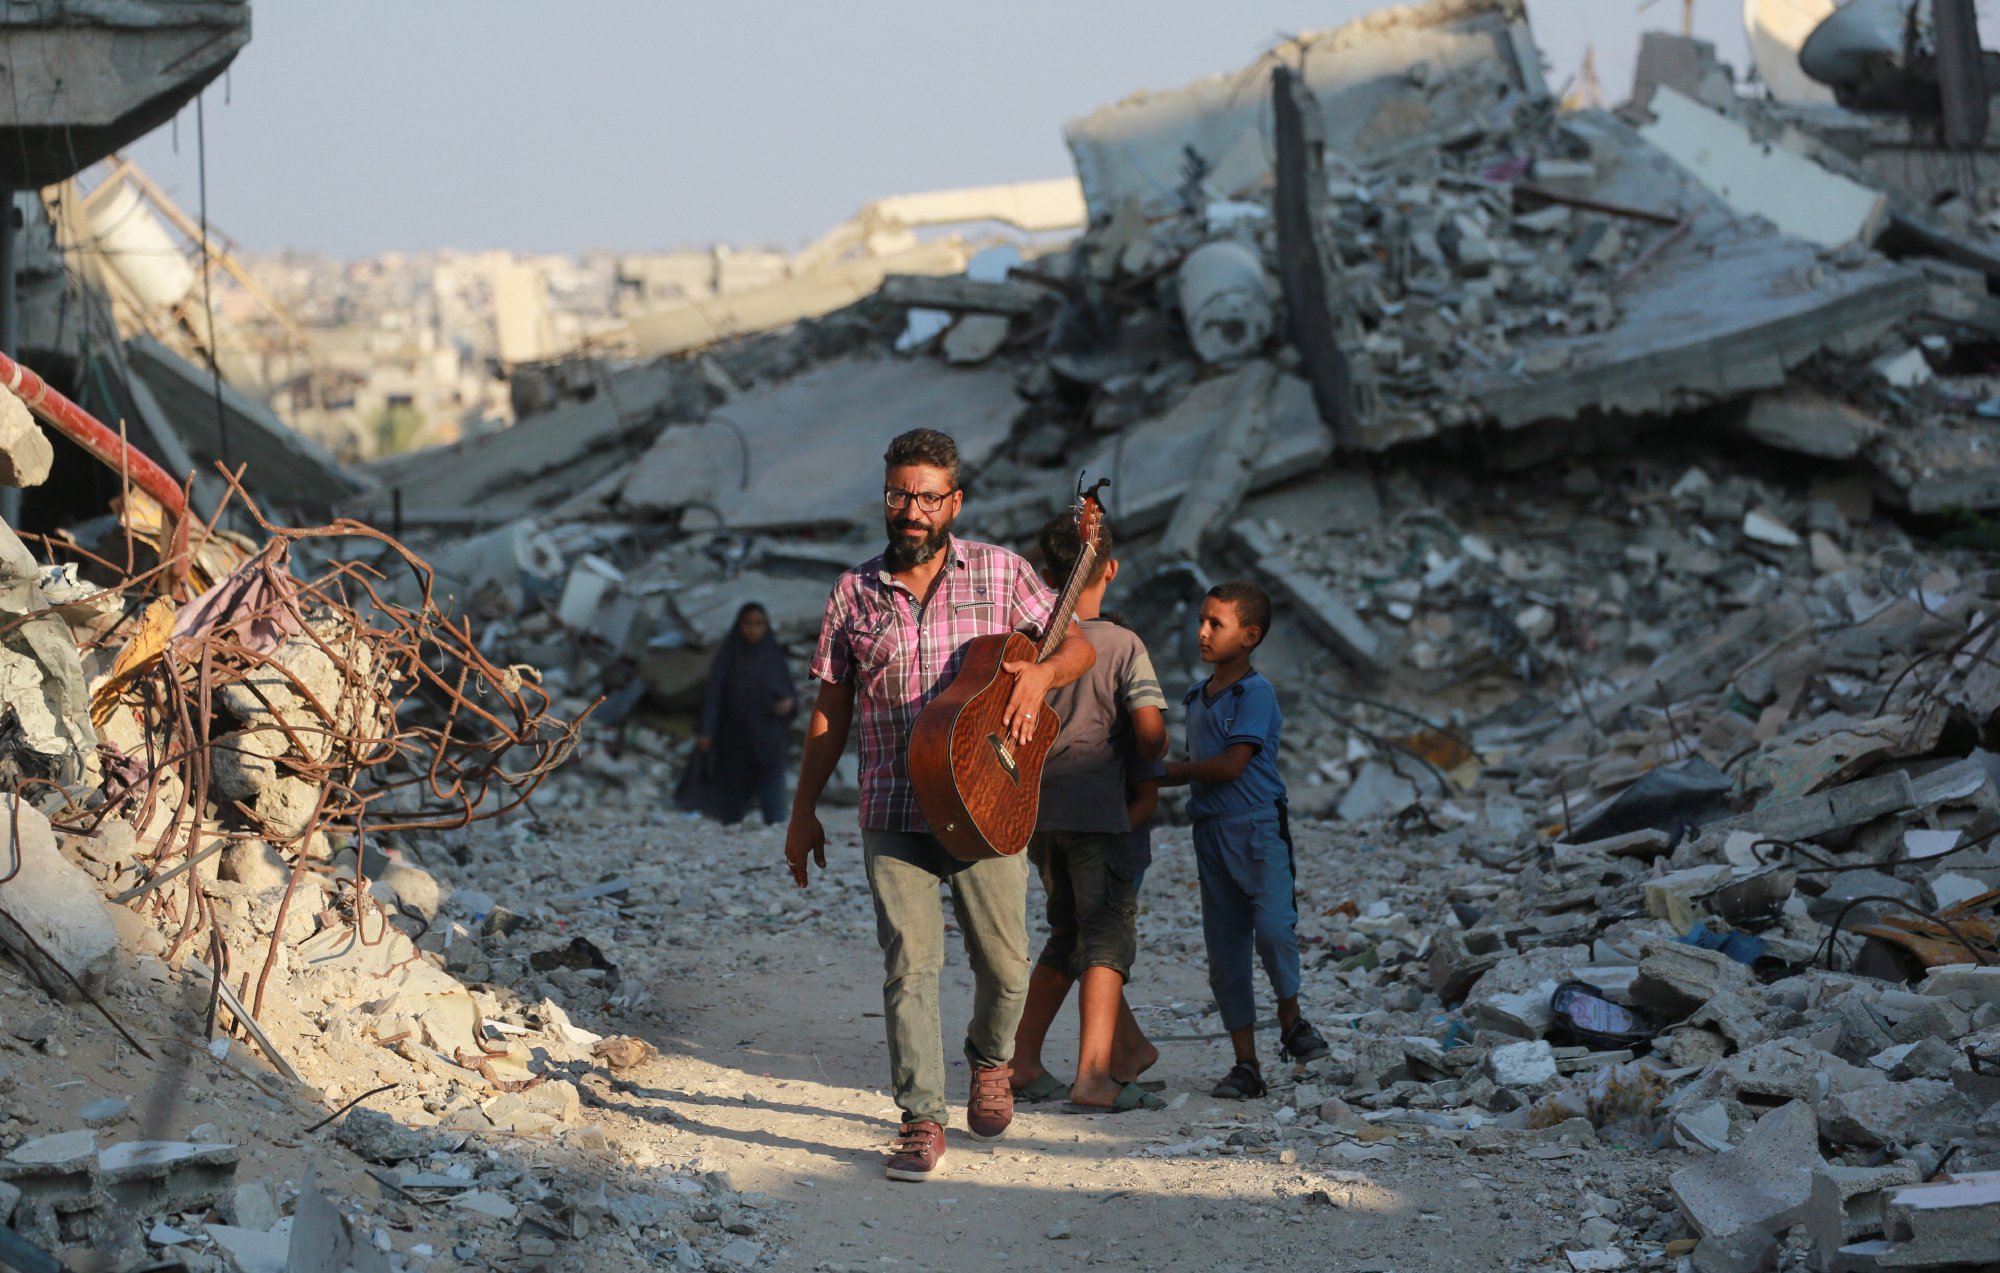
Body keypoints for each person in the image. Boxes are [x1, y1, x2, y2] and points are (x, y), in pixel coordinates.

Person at [784, 428, 1096, 1183]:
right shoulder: (852, 594)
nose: (912, 509)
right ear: (885, 496)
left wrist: (1037, 677)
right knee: (910, 967)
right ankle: (921, 1117)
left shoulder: (1000, 571)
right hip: (893, 802)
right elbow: (831, 710)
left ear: (954, 501)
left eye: (927, 496)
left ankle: (991, 1060)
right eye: (899, 494)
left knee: (1007, 964)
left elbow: (1077, 645)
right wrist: (803, 810)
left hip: (988, 800)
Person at [1008, 515, 1167, 1113]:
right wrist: (1150, 751)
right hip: (1099, 811)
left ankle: (1021, 1060)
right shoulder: (1123, 644)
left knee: (1066, 936)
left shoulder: (1033, 647)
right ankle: (1094, 1076)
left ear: (1046, 578)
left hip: (1037, 813)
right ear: (1114, 569)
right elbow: (1150, 733)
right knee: (1106, 939)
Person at [1159, 581, 1330, 1100]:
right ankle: (1246, 1064)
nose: (1203, 632)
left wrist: (1166, 773)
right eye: (1202, 621)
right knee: (1225, 951)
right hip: (1210, 831)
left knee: (1276, 929)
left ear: (1250, 636)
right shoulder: (1195, 697)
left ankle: (1292, 1017)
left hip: (1256, 826)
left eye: (1217, 624)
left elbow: (1233, 765)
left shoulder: (1255, 694)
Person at [696, 602, 797, 826]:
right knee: (733, 799)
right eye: (748, 624)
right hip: (734, 737)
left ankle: (774, 833)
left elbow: (789, 695)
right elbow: (714, 695)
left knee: (773, 797)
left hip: (769, 738)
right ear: (739, 626)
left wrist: (787, 705)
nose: (753, 630)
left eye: (758, 624)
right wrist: (707, 730)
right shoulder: (728, 656)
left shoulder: (773, 658)